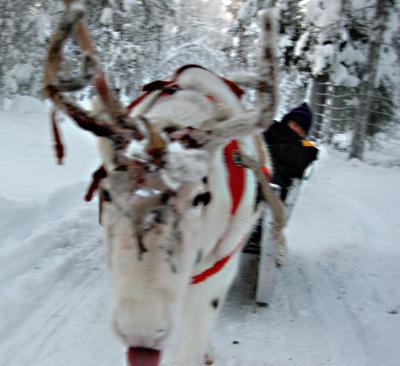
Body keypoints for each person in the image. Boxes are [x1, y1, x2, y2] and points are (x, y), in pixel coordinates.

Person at [263, 102, 319, 201]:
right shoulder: (269, 129)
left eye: (302, 131)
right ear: (287, 120)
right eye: (295, 125)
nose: (297, 131)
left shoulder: (304, 148)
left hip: (273, 196)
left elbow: (309, 150)